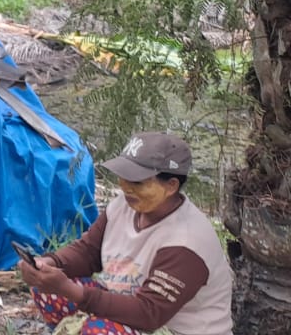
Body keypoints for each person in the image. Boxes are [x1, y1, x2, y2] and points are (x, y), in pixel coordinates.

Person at [19, 132, 233, 335]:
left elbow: (148, 313)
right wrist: (50, 262)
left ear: (171, 186)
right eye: (123, 177)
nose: (126, 188)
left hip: (170, 328)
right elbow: (88, 251)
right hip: (132, 308)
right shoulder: (125, 205)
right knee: (46, 285)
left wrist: (69, 289)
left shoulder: (187, 242)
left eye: (137, 182)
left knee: (98, 330)